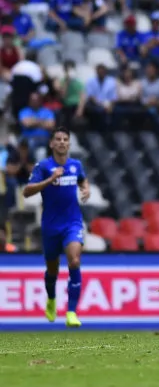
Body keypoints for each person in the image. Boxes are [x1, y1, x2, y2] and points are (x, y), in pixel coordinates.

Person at [22, 128, 90, 327]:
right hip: (51, 225)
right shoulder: (43, 166)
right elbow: (26, 192)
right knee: (52, 271)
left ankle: (71, 312)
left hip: (72, 222)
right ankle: (51, 299)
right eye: (58, 139)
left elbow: (82, 178)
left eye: (65, 139)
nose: (62, 142)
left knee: (74, 261)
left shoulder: (75, 165)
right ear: (51, 144)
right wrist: (50, 180)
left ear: (69, 144)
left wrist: (85, 188)